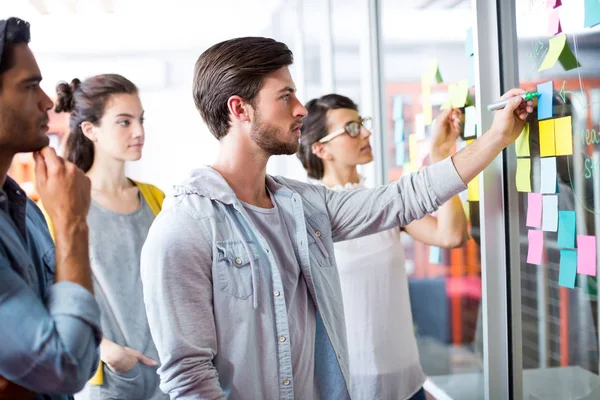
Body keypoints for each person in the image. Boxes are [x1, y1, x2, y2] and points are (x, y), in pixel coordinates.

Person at [140, 36, 533, 399]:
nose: (299, 109)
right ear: (239, 108)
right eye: (286, 96)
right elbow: (189, 377)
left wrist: (496, 137)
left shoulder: (307, 206)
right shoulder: (182, 229)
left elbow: (405, 197)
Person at [297, 94, 468, 400]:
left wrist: (441, 154)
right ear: (321, 149)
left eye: (362, 124)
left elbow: (451, 235)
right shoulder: (307, 216)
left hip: (408, 382)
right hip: (349, 387)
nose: (365, 133)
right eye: (350, 128)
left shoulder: (383, 204)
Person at [40, 74, 167, 400]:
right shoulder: (62, 203)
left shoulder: (158, 199)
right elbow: (46, 293)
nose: (138, 131)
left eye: (140, 120)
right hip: (106, 381)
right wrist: (108, 352)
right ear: (90, 129)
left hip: (168, 377)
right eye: (123, 122)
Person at [0, 16, 101, 400]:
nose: (47, 102)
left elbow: (82, 350)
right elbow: (65, 367)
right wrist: (72, 222)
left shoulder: (28, 210)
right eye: (29, 87)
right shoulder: (59, 211)